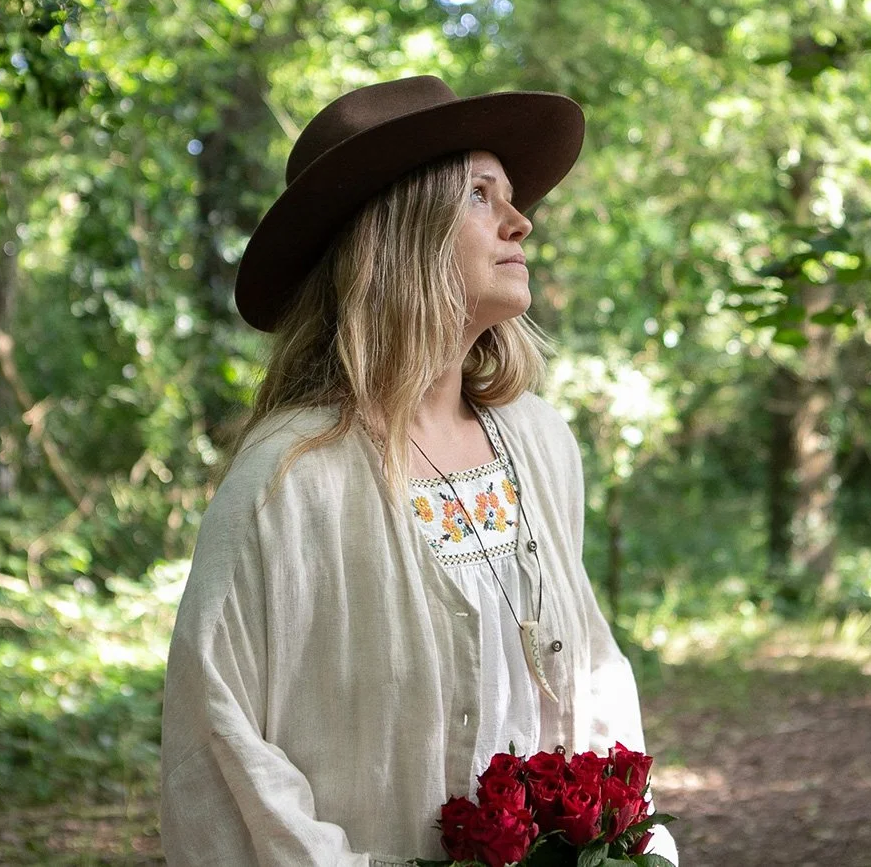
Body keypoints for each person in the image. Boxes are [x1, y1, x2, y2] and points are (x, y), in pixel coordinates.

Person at [159, 75, 677, 866]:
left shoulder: (537, 441)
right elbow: (220, 746)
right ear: (401, 230)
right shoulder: (288, 480)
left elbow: (593, 672)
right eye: (481, 193)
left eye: (511, 196)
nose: (521, 220)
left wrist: (627, 844)